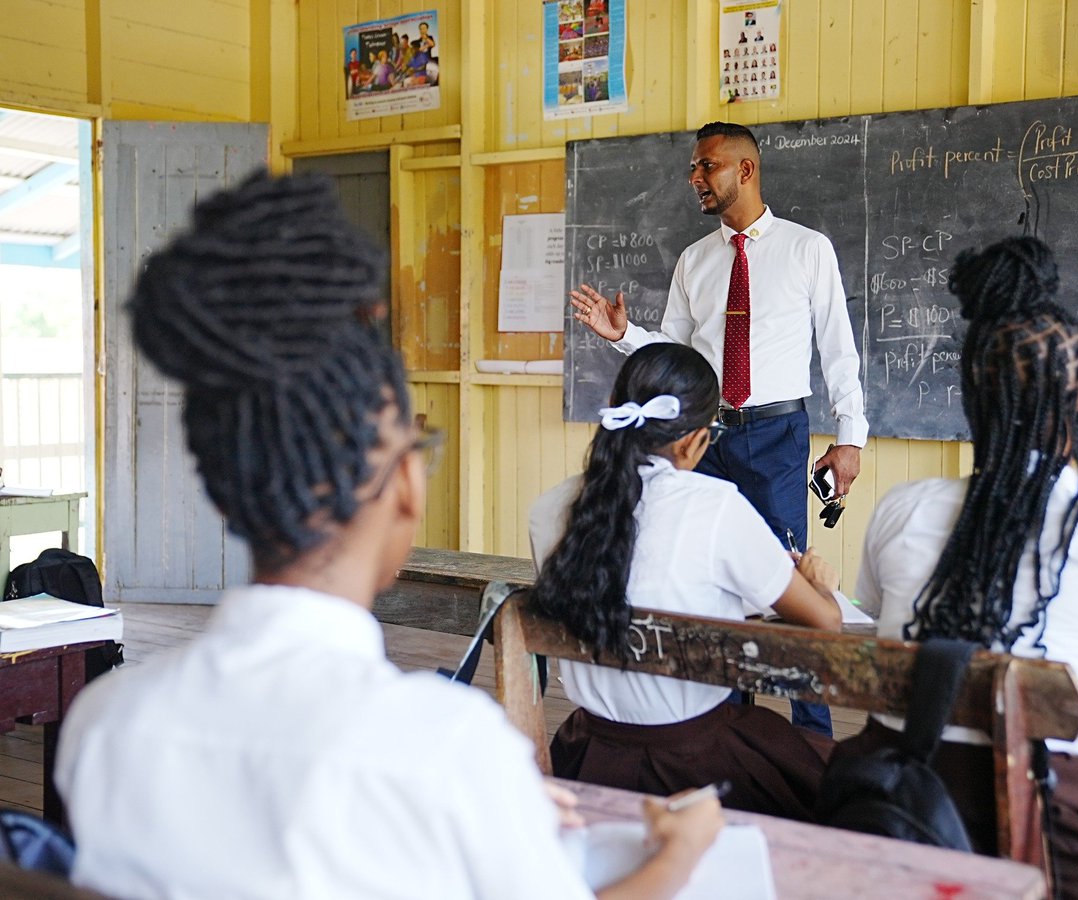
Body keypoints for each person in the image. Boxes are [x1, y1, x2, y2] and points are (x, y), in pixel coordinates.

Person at [54, 172, 722, 900]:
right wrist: (681, 853)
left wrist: (491, 811)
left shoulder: (104, 727)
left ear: (228, 488)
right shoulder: (448, 751)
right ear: (403, 488)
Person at [850, 236, 1078, 895]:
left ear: (972, 402)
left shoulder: (903, 509)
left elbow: (876, 615)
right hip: (1041, 813)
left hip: (897, 793)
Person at [570, 121, 867, 737]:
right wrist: (625, 336)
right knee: (717, 587)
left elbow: (839, 350)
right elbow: (678, 357)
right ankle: (725, 726)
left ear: (745, 170)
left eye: (707, 166)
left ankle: (810, 735)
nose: (695, 178)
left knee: (789, 580)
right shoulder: (695, 261)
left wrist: (850, 437)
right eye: (694, 168)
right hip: (705, 438)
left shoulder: (807, 249)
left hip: (777, 437)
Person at [529, 343, 842, 820]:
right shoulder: (715, 505)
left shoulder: (553, 509)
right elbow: (826, 624)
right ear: (694, 441)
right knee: (825, 781)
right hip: (694, 764)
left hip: (585, 755)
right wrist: (819, 583)